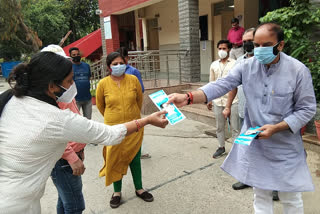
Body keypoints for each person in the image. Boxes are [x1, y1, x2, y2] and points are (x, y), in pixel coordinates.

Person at [168, 23, 316, 214]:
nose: (260, 50)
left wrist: (277, 128)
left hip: (285, 146)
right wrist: (188, 98)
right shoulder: (246, 66)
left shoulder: (298, 71)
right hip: (257, 145)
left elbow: (307, 109)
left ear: (280, 45)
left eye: (266, 45)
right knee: (261, 196)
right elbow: (221, 85)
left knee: (291, 198)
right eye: (256, 45)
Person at [0, 51, 168, 214]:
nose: (73, 85)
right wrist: (147, 120)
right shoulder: (56, 118)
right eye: (69, 80)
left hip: (12, 192)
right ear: (51, 85)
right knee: (74, 206)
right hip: (18, 203)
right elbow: (110, 134)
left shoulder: (10, 98)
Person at [96, 52, 153, 209]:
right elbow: (101, 106)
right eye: (114, 64)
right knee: (115, 159)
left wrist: (134, 117)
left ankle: (139, 189)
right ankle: (117, 192)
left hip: (134, 126)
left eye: (121, 63)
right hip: (113, 129)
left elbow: (139, 100)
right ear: (109, 67)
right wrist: (112, 117)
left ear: (126, 64)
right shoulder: (103, 84)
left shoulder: (133, 80)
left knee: (135, 159)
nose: (118, 66)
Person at [41, 44, 87, 213]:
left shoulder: (63, 91)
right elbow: (52, 133)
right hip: (65, 160)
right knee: (75, 205)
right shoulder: (49, 97)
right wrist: (72, 157)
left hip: (72, 155)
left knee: (65, 200)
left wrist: (80, 148)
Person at [226, 28, 255, 191]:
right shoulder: (240, 62)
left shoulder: (266, 61)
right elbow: (232, 86)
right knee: (246, 147)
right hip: (245, 115)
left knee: (266, 150)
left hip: (263, 118)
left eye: (250, 40)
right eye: (244, 42)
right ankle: (246, 178)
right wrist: (228, 106)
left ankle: (273, 186)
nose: (247, 44)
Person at [116, 47, 150, 159]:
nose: (119, 63)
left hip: (132, 106)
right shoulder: (114, 72)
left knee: (136, 128)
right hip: (118, 108)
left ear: (127, 58)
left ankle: (139, 151)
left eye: (122, 59)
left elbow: (141, 90)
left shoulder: (133, 71)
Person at [207, 40, 239, 159]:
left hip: (233, 100)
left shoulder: (235, 63)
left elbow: (235, 84)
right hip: (217, 100)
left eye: (224, 48)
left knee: (235, 128)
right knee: (220, 127)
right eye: (219, 48)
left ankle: (236, 151)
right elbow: (212, 82)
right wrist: (209, 99)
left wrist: (228, 106)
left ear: (229, 50)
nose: (221, 51)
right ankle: (221, 147)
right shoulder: (214, 64)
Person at [69, 47, 92, 119]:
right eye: (74, 55)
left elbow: (88, 78)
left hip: (87, 98)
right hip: (75, 99)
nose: (76, 56)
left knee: (88, 121)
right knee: (76, 121)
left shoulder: (86, 66)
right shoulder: (69, 67)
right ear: (70, 56)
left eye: (77, 54)